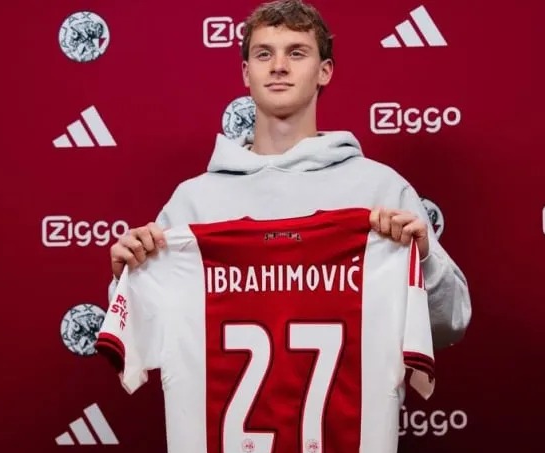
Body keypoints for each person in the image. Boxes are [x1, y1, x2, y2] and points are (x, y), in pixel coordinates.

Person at [108, 0, 471, 348]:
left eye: (296, 53)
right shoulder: (194, 201)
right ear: (246, 73)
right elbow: (144, 335)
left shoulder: (380, 189)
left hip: (356, 396)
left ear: (324, 71)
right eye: (264, 54)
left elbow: (448, 324)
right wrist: (127, 277)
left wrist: (423, 260)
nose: (278, 66)